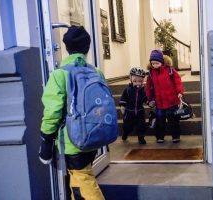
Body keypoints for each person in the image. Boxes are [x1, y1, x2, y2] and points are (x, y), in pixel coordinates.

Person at [39, 26, 105, 200]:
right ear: (88, 48)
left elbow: (53, 110)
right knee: (77, 179)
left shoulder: (60, 74)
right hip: (93, 135)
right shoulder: (96, 72)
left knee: (83, 180)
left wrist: (46, 137)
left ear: (66, 48)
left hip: (72, 141)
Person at [146, 50, 184, 143]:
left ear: (162, 62)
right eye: (153, 63)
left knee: (173, 120)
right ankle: (160, 136)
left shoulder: (170, 70)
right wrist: (149, 99)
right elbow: (148, 87)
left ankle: (176, 136)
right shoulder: (151, 73)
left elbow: (177, 81)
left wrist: (180, 92)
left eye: (157, 63)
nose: (154, 65)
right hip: (159, 102)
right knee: (160, 120)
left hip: (172, 101)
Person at [119, 67, 148, 144]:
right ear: (131, 80)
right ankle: (125, 133)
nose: (137, 83)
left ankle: (141, 138)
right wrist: (122, 105)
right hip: (129, 112)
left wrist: (149, 102)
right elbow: (123, 98)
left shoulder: (143, 91)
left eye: (139, 81)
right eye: (135, 81)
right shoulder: (127, 90)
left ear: (142, 81)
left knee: (141, 125)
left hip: (139, 111)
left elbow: (145, 99)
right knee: (127, 126)